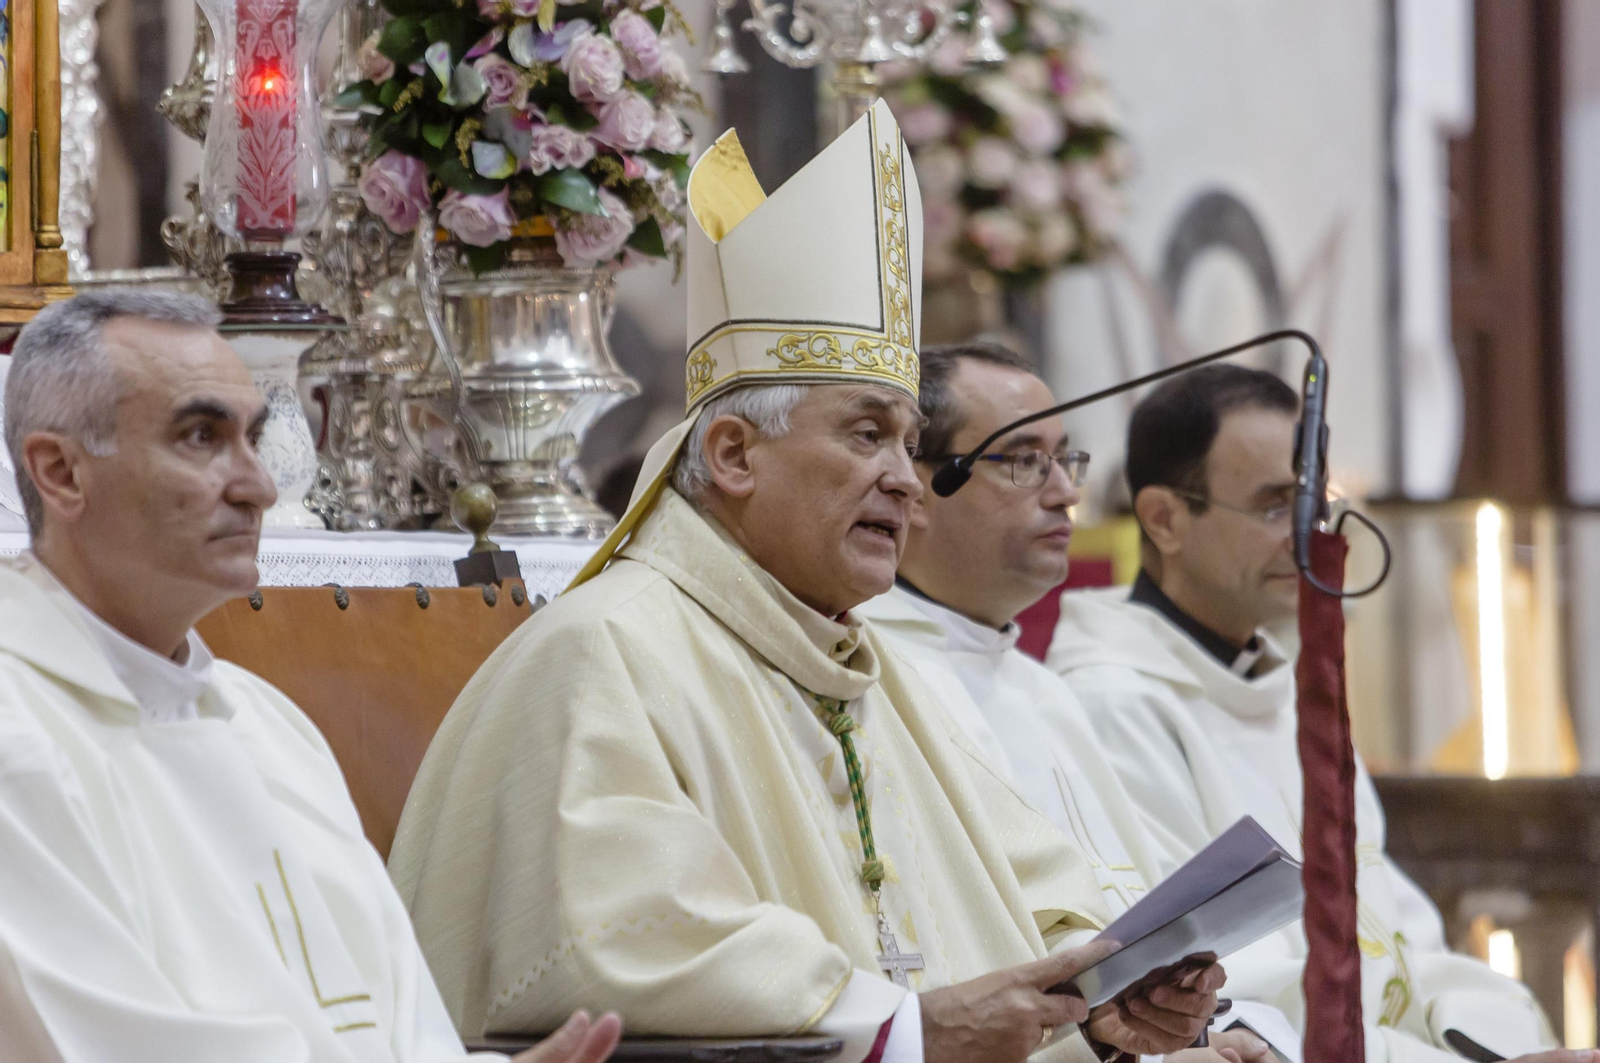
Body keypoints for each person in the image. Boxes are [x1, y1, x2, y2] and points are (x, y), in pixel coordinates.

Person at [390, 103, 1230, 1063]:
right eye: (866, 434)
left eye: (912, 445)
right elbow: (620, 940)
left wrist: (1104, 996)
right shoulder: (607, 650)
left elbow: (1030, 894)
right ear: (735, 452)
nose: (907, 480)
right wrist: (906, 1030)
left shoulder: (876, 673)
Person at [0, 288, 621, 1063]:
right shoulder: (16, 733)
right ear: (61, 473)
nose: (258, 484)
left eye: (253, 439)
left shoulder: (267, 724)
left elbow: (403, 1027)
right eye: (200, 436)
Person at [1048, 365, 1578, 1063]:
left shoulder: (1284, 688)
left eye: (1313, 504)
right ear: (1165, 519)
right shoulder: (1112, 706)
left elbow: (1399, 936)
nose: (1306, 536)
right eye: (1275, 506)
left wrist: (1495, 1045)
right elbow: (1236, 994)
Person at [858, 342, 1296, 1063]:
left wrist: (1208, 1021)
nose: (1065, 490)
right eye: (1024, 459)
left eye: (1066, 459)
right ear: (918, 488)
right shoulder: (875, 680)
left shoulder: (1042, 692)